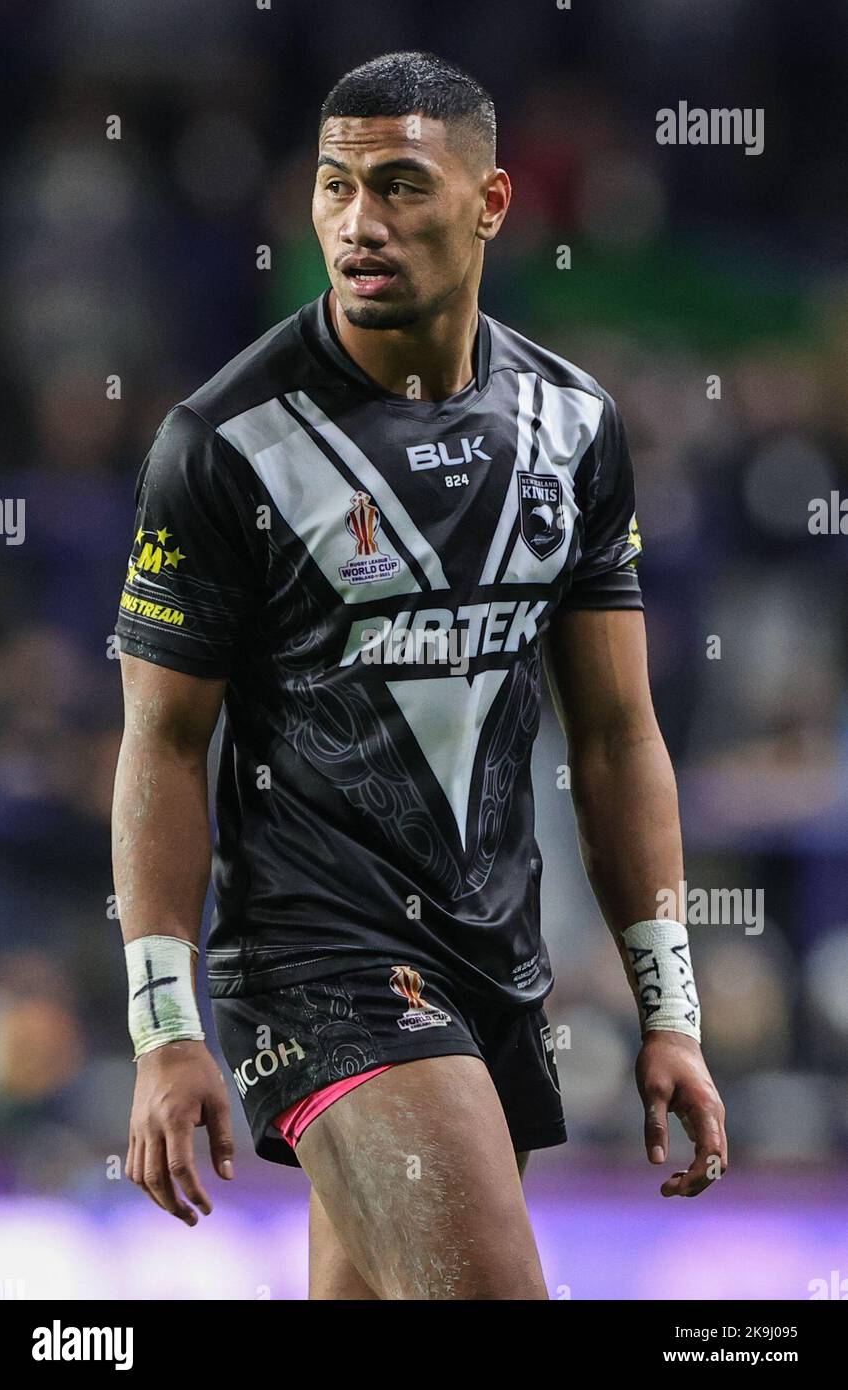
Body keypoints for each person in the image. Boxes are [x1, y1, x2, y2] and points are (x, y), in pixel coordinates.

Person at [113, 50, 727, 1301]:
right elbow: (164, 747)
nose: (358, 222)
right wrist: (163, 1027)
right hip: (317, 958)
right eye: (334, 188)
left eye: (398, 186)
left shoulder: (572, 429)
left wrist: (671, 1009)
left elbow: (614, 734)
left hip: (491, 961)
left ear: (491, 204)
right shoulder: (224, 444)